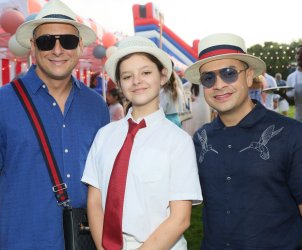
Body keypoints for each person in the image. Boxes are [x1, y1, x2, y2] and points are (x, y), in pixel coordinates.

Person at [0, 0, 110, 249]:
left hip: (84, 240)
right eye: (46, 41)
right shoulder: (0, 103)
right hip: (21, 240)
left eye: (67, 41)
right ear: (33, 46)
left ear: (79, 47)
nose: (57, 50)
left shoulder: (97, 106)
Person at [82, 36, 202, 250]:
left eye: (146, 73)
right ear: (119, 83)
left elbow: (180, 218)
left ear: (162, 76)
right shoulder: (104, 135)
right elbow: (94, 200)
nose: (137, 81)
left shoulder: (179, 142)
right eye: (127, 76)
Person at [185, 33, 302, 249]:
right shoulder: (201, 139)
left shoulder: (291, 134)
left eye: (229, 74)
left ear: (249, 77)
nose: (219, 85)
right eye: (209, 78)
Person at [286, 45, 302, 121]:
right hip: (298, 120)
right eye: (298, 53)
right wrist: (281, 93)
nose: (300, 56)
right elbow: (292, 102)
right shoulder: (291, 77)